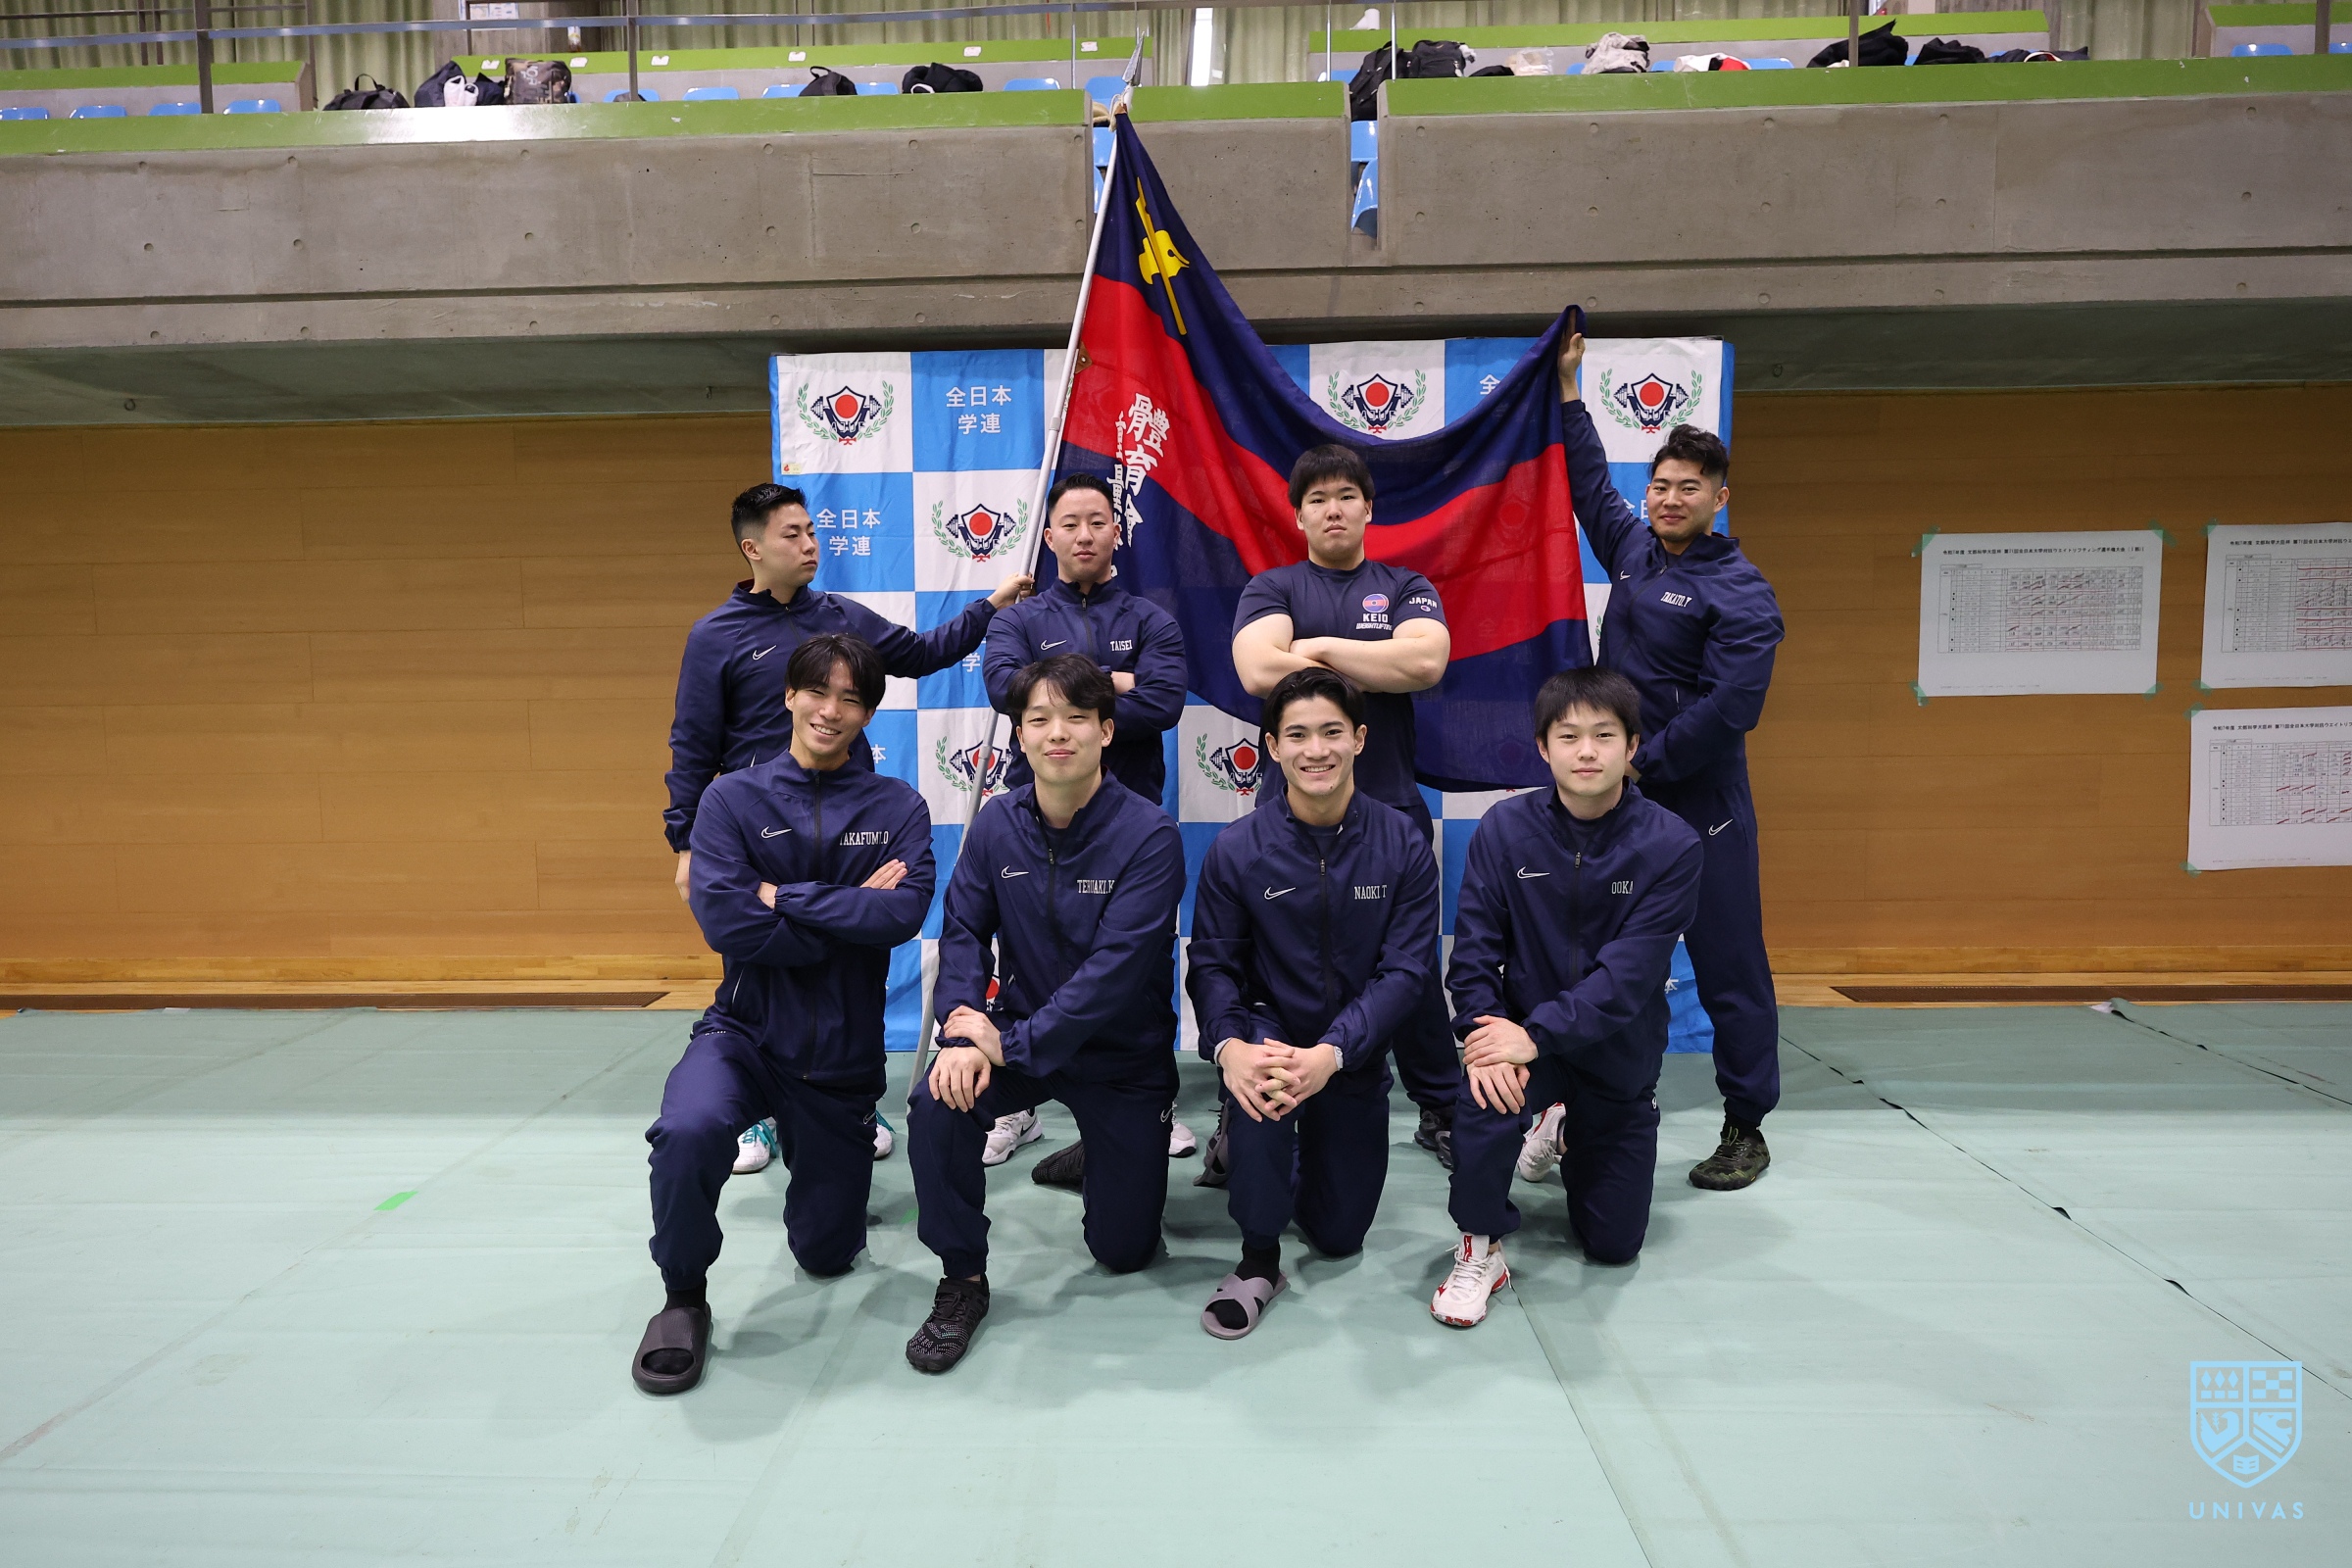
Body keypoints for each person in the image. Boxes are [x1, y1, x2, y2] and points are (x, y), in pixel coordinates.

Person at [666, 480, 1027, 1171]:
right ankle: (759, 1109)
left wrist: (990, 607)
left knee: (852, 962)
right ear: (752, 548)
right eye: (792, 534)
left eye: (811, 531)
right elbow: (692, 742)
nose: (810, 545)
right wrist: (686, 843)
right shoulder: (716, 635)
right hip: (756, 835)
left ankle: (851, 1098)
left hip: (845, 828)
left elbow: (920, 653)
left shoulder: (840, 616)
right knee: (759, 962)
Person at [632, 634, 935, 1394]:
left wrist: (783, 897)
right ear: (791, 696)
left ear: (868, 713)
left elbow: (901, 915)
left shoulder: (898, 806)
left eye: (851, 699)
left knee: (827, 1255)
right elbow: (727, 924)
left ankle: (824, 1197)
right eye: (818, 692)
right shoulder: (731, 799)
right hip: (744, 1034)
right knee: (688, 1132)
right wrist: (847, 910)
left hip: (841, 1057)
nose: (831, 711)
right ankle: (682, 1297)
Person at [903, 654, 1188, 1374]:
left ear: (1106, 731)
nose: (1058, 733)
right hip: (1020, 1040)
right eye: (1040, 719)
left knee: (1124, 1252)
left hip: (1121, 1058)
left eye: (1076, 718)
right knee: (937, 1101)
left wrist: (1009, 1044)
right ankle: (962, 1277)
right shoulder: (996, 826)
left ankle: (1102, 1145)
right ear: (1020, 735)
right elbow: (964, 932)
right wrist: (963, 1032)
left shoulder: (1149, 834)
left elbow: (1114, 976)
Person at [1552, 332, 1787, 1191]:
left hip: (1700, 805)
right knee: (1605, 959)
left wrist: (1642, 765)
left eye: (1690, 487)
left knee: (1729, 965)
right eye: (1659, 485)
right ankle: (1591, 1106)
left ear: (1719, 498)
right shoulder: (1635, 551)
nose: (1670, 499)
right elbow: (1588, 487)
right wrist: (1570, 392)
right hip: (1621, 802)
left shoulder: (1742, 592)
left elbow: (1732, 708)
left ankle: (1746, 1124)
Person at [1429, 668, 1701, 1328]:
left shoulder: (1672, 844)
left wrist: (1535, 1033)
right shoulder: (1505, 829)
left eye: (1604, 736)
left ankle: (1562, 1128)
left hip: (1616, 1052)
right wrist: (1484, 1037)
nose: (1586, 752)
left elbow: (1628, 977)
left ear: (1631, 746)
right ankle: (1481, 1248)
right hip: (1523, 1040)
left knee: (1613, 1245)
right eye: (1569, 736)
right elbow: (1473, 954)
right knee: (1485, 1091)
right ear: (1542, 747)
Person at [1185, 667, 1439, 1339]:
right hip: (1267, 1035)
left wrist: (1334, 1052)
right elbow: (1213, 965)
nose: (1316, 750)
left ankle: (1254, 1152)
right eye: (1297, 735)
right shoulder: (1237, 849)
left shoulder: (1403, 842)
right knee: (1263, 1089)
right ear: (1272, 747)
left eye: (1331, 732)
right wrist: (1229, 1047)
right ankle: (1257, 1258)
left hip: (1352, 1054)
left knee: (1338, 1236)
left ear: (1360, 739)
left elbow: (1406, 972)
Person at [1229, 444, 1463, 1169]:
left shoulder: (1405, 584)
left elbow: (1424, 661)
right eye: (1318, 499)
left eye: (1346, 496)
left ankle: (1441, 1106)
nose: (1333, 509)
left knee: (1409, 965)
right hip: (1288, 816)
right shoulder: (1271, 586)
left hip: (1390, 805)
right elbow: (1257, 669)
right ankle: (1245, 1110)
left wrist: (1319, 647)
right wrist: (1371, 659)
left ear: (1369, 508)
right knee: (1273, 964)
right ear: (1298, 516)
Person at [978, 472, 1195, 1176]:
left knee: (1140, 958)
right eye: (1069, 523)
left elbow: (1164, 702)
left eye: (1097, 522)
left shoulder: (1152, 619)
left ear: (1116, 532)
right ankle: (1018, 1101)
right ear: (1048, 537)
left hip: (1129, 819)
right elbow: (1006, 690)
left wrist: (1060, 683)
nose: (1083, 535)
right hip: (1035, 817)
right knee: (1024, 950)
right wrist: (1115, 681)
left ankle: (1153, 1099)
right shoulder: (1016, 619)